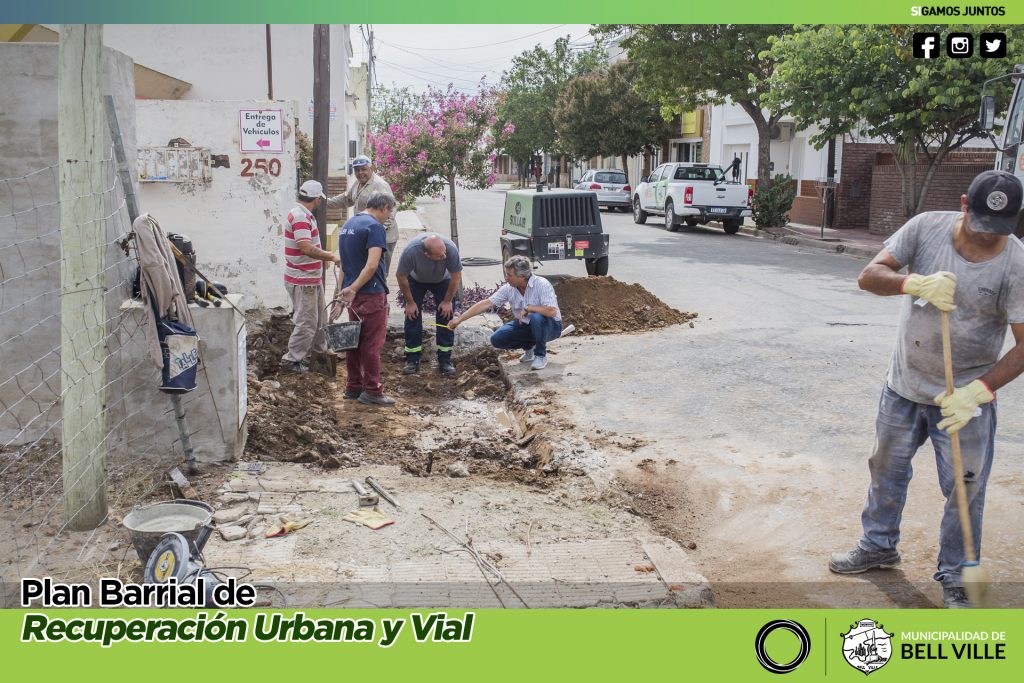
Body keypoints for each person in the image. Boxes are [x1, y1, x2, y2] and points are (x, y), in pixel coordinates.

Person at [829, 170, 1024, 608]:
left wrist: (979, 392)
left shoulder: (1017, 263)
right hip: (904, 385)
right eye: (980, 227)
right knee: (885, 470)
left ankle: (955, 572)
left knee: (965, 487)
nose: (987, 239)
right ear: (963, 205)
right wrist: (910, 282)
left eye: (999, 231)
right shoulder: (924, 228)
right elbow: (868, 275)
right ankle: (878, 544)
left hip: (963, 398)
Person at [336, 191, 397, 406]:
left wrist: (346, 288)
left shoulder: (349, 224)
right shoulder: (374, 227)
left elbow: (343, 262)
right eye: (389, 212)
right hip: (369, 292)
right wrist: (354, 287)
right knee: (372, 343)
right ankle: (372, 390)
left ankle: (353, 386)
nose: (388, 217)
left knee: (354, 341)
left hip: (353, 293)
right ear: (383, 208)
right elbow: (372, 265)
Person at [449, 255, 561, 371]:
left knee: (537, 318)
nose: (506, 278)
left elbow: (552, 311)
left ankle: (540, 355)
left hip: (551, 326)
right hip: (527, 325)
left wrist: (530, 308)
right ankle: (529, 348)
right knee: (497, 339)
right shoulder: (509, 289)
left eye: (509, 275)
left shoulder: (541, 284)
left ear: (522, 276)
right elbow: (486, 303)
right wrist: (460, 319)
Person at [280, 180, 340, 374]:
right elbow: (305, 247)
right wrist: (330, 255)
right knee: (307, 322)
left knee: (320, 320)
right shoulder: (300, 216)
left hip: (311, 278)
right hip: (303, 279)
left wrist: (322, 259)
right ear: (316, 199)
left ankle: (318, 355)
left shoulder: (303, 214)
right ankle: (292, 360)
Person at [396, 233, 463, 376]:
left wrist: (447, 301)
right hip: (416, 280)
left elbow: (456, 275)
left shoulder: (450, 249)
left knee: (446, 315)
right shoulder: (411, 251)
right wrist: (410, 302)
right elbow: (400, 276)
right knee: (412, 315)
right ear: (426, 254)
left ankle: (445, 359)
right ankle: (412, 359)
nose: (444, 257)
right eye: (440, 256)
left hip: (443, 280)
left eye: (444, 252)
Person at [327, 155, 399, 275]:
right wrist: (326, 202)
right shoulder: (358, 183)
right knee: (366, 270)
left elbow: (390, 210)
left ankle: (380, 293)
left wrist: (378, 231)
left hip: (383, 237)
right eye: (357, 170)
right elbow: (346, 199)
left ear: (371, 168)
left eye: (364, 169)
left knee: (379, 273)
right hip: (366, 235)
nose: (360, 173)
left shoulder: (379, 185)